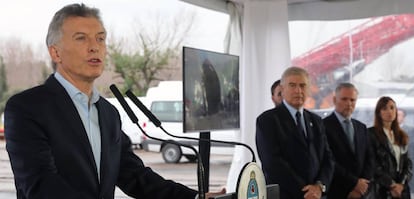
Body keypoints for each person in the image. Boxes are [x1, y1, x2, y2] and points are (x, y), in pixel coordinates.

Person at [4, 3, 224, 199]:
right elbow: (41, 185)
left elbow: (134, 176)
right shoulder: (27, 108)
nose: (95, 46)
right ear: (56, 53)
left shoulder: (108, 113)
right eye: (81, 38)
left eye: (100, 38)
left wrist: (194, 197)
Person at [256, 66, 334, 199]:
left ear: (308, 90)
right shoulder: (267, 120)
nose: (298, 91)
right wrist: (306, 192)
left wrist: (319, 187)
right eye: (292, 85)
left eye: (303, 86)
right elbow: (272, 163)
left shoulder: (316, 121)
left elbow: (328, 158)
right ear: (282, 89)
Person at [323, 83, 374, 198]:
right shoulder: (323, 126)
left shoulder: (361, 127)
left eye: (352, 100)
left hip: (361, 192)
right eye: (344, 99)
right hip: (336, 191)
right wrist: (353, 183)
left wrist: (361, 185)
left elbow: (370, 158)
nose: (349, 103)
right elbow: (329, 160)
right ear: (335, 100)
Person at [368, 96, 412, 199]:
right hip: (381, 189)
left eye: (392, 108)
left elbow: (407, 163)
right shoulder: (371, 134)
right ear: (379, 112)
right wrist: (391, 185)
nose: (389, 111)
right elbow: (372, 163)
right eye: (385, 108)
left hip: (402, 190)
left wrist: (401, 184)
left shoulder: (402, 135)